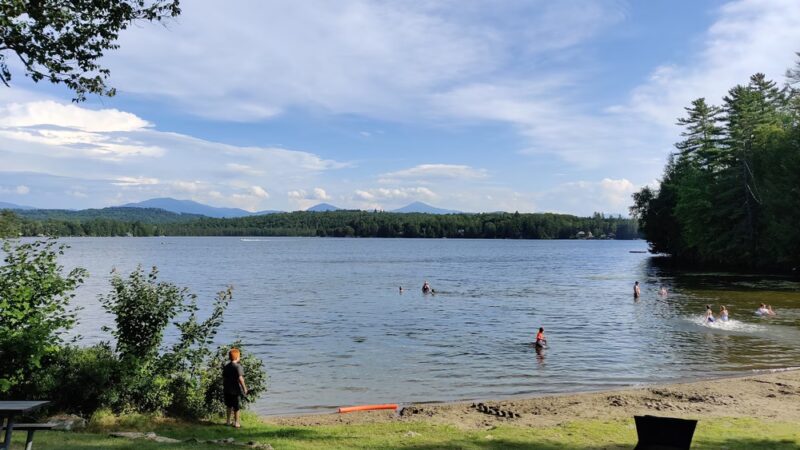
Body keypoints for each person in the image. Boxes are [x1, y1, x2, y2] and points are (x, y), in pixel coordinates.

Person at [223, 348, 248, 428]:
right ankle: (236, 422)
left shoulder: (226, 366)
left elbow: (224, 377)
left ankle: (228, 421)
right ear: (237, 357)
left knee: (228, 406)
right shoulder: (238, 367)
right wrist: (245, 388)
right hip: (235, 390)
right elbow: (240, 379)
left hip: (226, 389)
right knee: (236, 407)